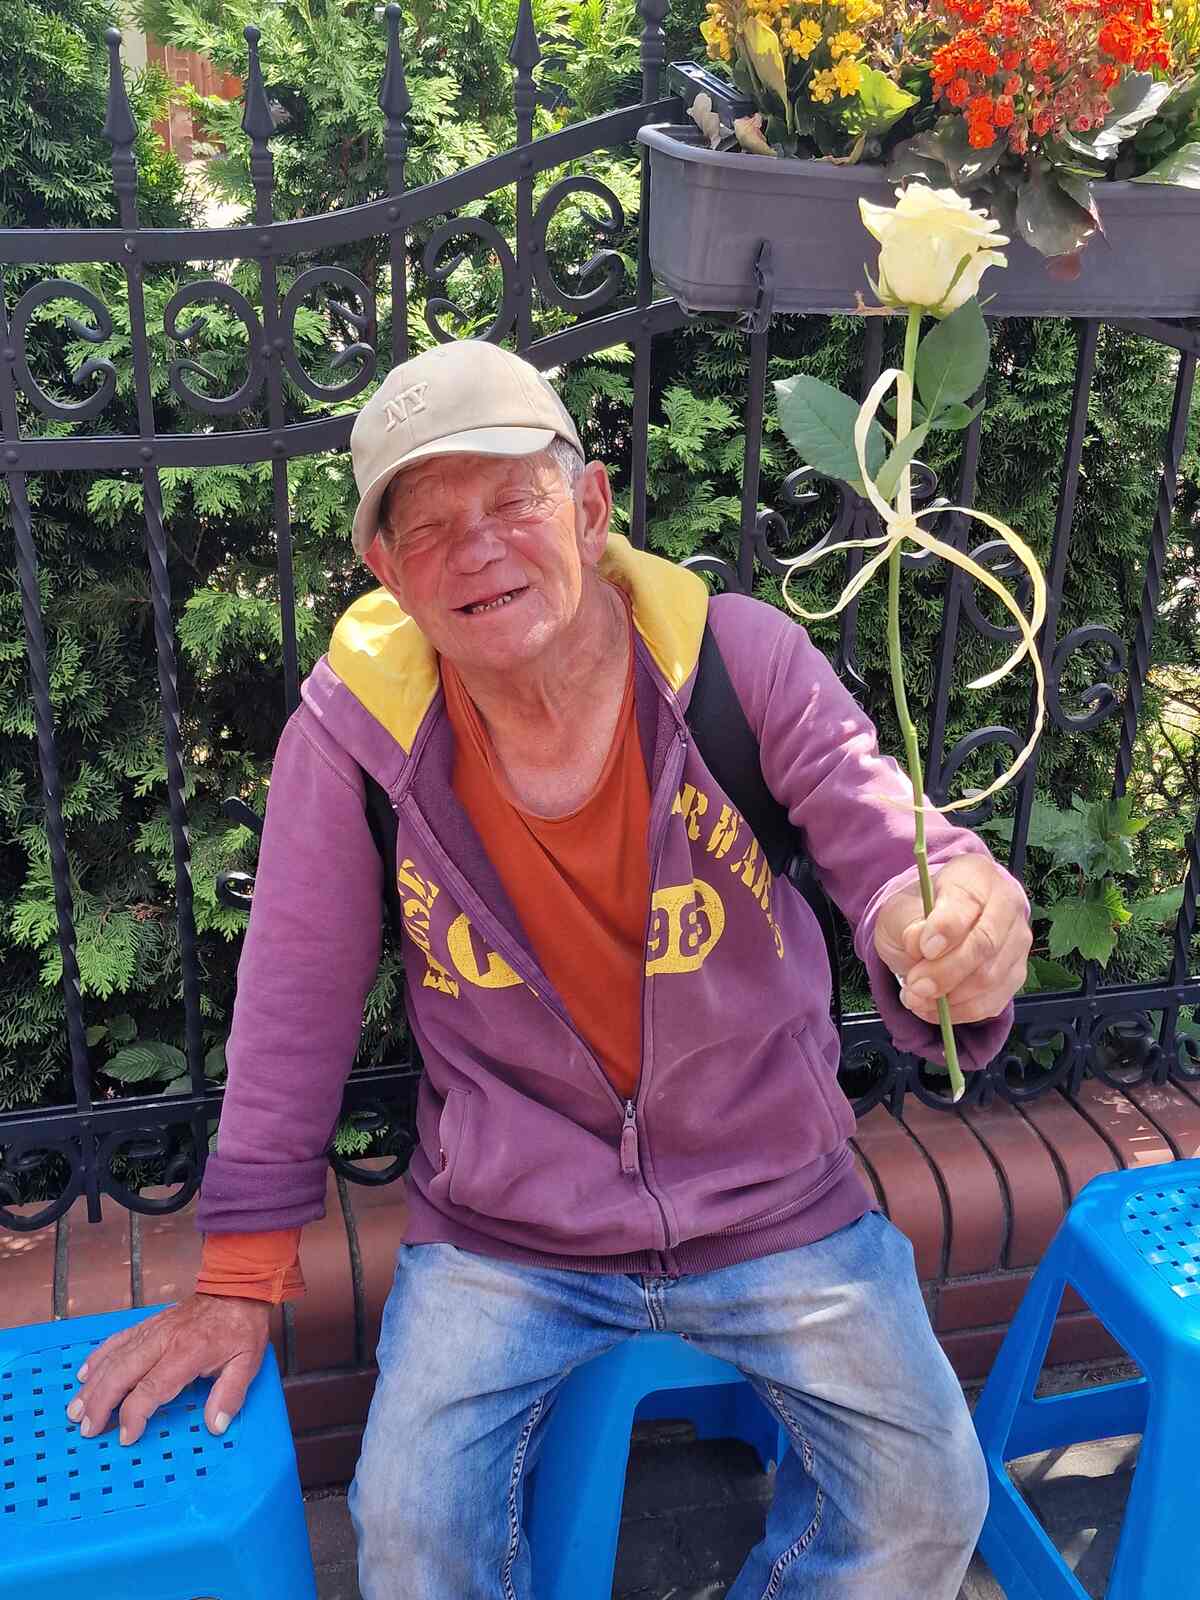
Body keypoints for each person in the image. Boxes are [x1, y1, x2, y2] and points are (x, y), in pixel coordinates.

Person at [64, 340, 1033, 1599]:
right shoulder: (356, 736)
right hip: (506, 1235)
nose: (477, 550)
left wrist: (954, 926)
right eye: (429, 528)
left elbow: (891, 840)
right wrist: (239, 1280)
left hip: (775, 1198)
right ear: (389, 571)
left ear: (588, 505)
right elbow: (293, 1004)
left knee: (926, 1501)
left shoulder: (735, 660)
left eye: (513, 501)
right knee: (410, 1536)